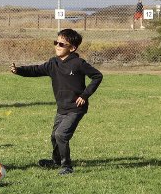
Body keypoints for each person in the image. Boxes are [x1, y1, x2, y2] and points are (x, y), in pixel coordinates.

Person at [10, 28, 102, 175]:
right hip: (62, 108)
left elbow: (97, 76)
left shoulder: (78, 63)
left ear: (72, 48)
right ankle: (56, 161)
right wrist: (19, 70)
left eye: (61, 44)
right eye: (56, 42)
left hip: (76, 108)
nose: (57, 46)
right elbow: (36, 70)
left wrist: (85, 95)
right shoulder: (53, 63)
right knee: (54, 136)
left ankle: (67, 166)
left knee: (61, 135)